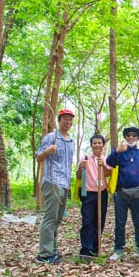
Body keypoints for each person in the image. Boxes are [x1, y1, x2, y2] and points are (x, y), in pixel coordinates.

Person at [105, 126, 139, 260]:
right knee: (120, 222)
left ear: (138, 138)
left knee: (138, 222)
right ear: (125, 137)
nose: (131, 137)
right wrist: (116, 151)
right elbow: (109, 162)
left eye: (134, 135)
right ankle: (118, 249)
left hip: (137, 193)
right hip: (121, 192)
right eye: (128, 135)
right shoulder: (120, 151)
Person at [35, 109, 77, 264]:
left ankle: (51, 251)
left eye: (70, 120)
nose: (68, 122)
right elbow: (39, 158)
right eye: (65, 119)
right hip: (52, 182)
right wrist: (47, 151)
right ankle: (44, 254)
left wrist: (69, 185)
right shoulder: (51, 137)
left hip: (64, 184)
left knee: (58, 218)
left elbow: (68, 165)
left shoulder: (71, 141)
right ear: (59, 121)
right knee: (50, 217)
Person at [76, 134, 112, 259]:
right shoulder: (85, 158)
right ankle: (86, 250)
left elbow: (108, 174)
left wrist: (103, 166)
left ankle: (97, 248)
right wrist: (81, 167)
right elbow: (79, 176)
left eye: (99, 143)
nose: (97, 145)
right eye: (94, 143)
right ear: (91, 145)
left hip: (102, 193)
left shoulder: (106, 159)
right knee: (87, 221)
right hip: (88, 193)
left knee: (99, 221)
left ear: (103, 145)